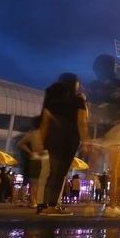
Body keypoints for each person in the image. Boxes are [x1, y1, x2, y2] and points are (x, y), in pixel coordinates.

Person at [34, 73, 89, 216]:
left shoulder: (52, 100)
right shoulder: (78, 101)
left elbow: (45, 122)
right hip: (69, 140)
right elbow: (82, 122)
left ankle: (45, 206)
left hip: (52, 139)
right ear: (74, 84)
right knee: (60, 174)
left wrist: (40, 141)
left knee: (51, 172)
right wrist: (85, 141)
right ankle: (52, 206)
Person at [18, 116, 46, 208]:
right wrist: (30, 152)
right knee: (35, 181)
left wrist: (30, 152)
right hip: (39, 158)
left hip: (40, 157)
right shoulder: (36, 134)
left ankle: (34, 200)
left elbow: (21, 144)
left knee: (37, 181)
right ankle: (33, 200)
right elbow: (21, 144)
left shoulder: (35, 134)